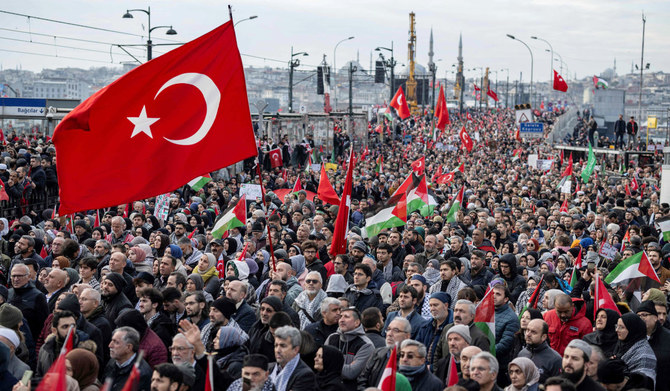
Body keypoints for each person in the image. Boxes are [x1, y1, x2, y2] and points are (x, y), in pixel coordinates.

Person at [324, 307, 374, 388]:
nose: (341, 320)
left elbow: (351, 373)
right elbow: (319, 363)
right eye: (340, 317)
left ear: (357, 322)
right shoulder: (331, 338)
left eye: (346, 317)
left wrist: (329, 364)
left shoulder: (366, 345)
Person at [356, 317, 411, 390]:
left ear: (407, 336)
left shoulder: (409, 360)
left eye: (396, 330)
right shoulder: (378, 353)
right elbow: (362, 380)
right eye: (388, 329)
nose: (389, 334)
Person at [612, 312, 657, 383]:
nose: (617, 330)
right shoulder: (621, 345)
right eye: (617, 326)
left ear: (632, 329)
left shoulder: (644, 355)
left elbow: (643, 383)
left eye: (621, 327)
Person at [635, 300, 670, 391]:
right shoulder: (632, 336)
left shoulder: (667, 337)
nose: (641, 318)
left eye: (644, 315)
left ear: (655, 318)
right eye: (638, 316)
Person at [8, 263, 48, 339]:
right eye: (13, 276)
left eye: (20, 276)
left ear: (29, 277)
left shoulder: (38, 296)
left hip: (29, 341)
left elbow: (43, 325)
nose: (16, 279)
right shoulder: (8, 293)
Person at [269, 326, 316, 390]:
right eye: (276, 345)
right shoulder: (269, 369)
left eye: (283, 346)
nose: (277, 350)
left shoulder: (305, 375)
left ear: (296, 349)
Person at [105, 327, 152, 391]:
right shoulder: (112, 362)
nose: (110, 345)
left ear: (129, 347)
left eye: (116, 342)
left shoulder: (141, 373)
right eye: (112, 340)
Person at [518, 319, 562, 383]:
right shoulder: (522, 354)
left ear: (543, 337)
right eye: (527, 330)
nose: (528, 334)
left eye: (533, 332)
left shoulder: (555, 359)